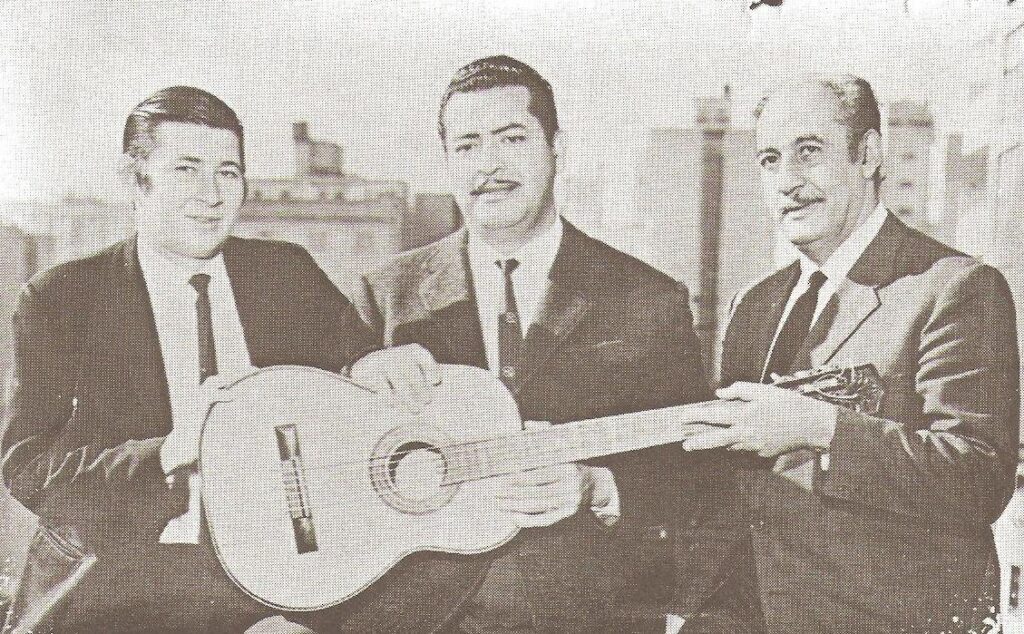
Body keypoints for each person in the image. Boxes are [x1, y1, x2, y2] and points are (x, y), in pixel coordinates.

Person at [0, 86, 420, 634]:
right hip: (117, 586)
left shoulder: (286, 273)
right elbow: (28, 468)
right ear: (134, 180)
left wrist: (372, 368)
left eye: (228, 172)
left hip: (282, 580)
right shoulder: (62, 298)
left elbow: (356, 375)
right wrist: (173, 450)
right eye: (186, 170)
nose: (211, 195)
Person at [341, 56, 718, 633]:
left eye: (511, 139)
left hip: (580, 618)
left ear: (556, 148)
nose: (488, 164)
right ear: (447, 162)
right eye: (467, 145)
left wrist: (598, 486)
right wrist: (353, 385)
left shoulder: (648, 298)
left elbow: (697, 475)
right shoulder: (385, 293)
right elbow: (330, 464)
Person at [678, 74, 1020, 633]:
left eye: (809, 152)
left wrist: (822, 429)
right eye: (769, 160)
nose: (788, 181)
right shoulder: (754, 303)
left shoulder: (956, 288)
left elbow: (978, 478)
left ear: (868, 155)